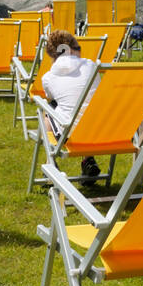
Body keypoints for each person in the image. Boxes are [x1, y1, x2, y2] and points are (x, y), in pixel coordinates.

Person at [40, 30, 101, 184]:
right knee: (84, 105)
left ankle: (51, 163)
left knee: (47, 109)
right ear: (71, 50)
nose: (81, 52)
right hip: (100, 130)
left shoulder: (48, 77)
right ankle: (88, 160)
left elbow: (50, 97)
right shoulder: (91, 65)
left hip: (70, 135)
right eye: (79, 48)